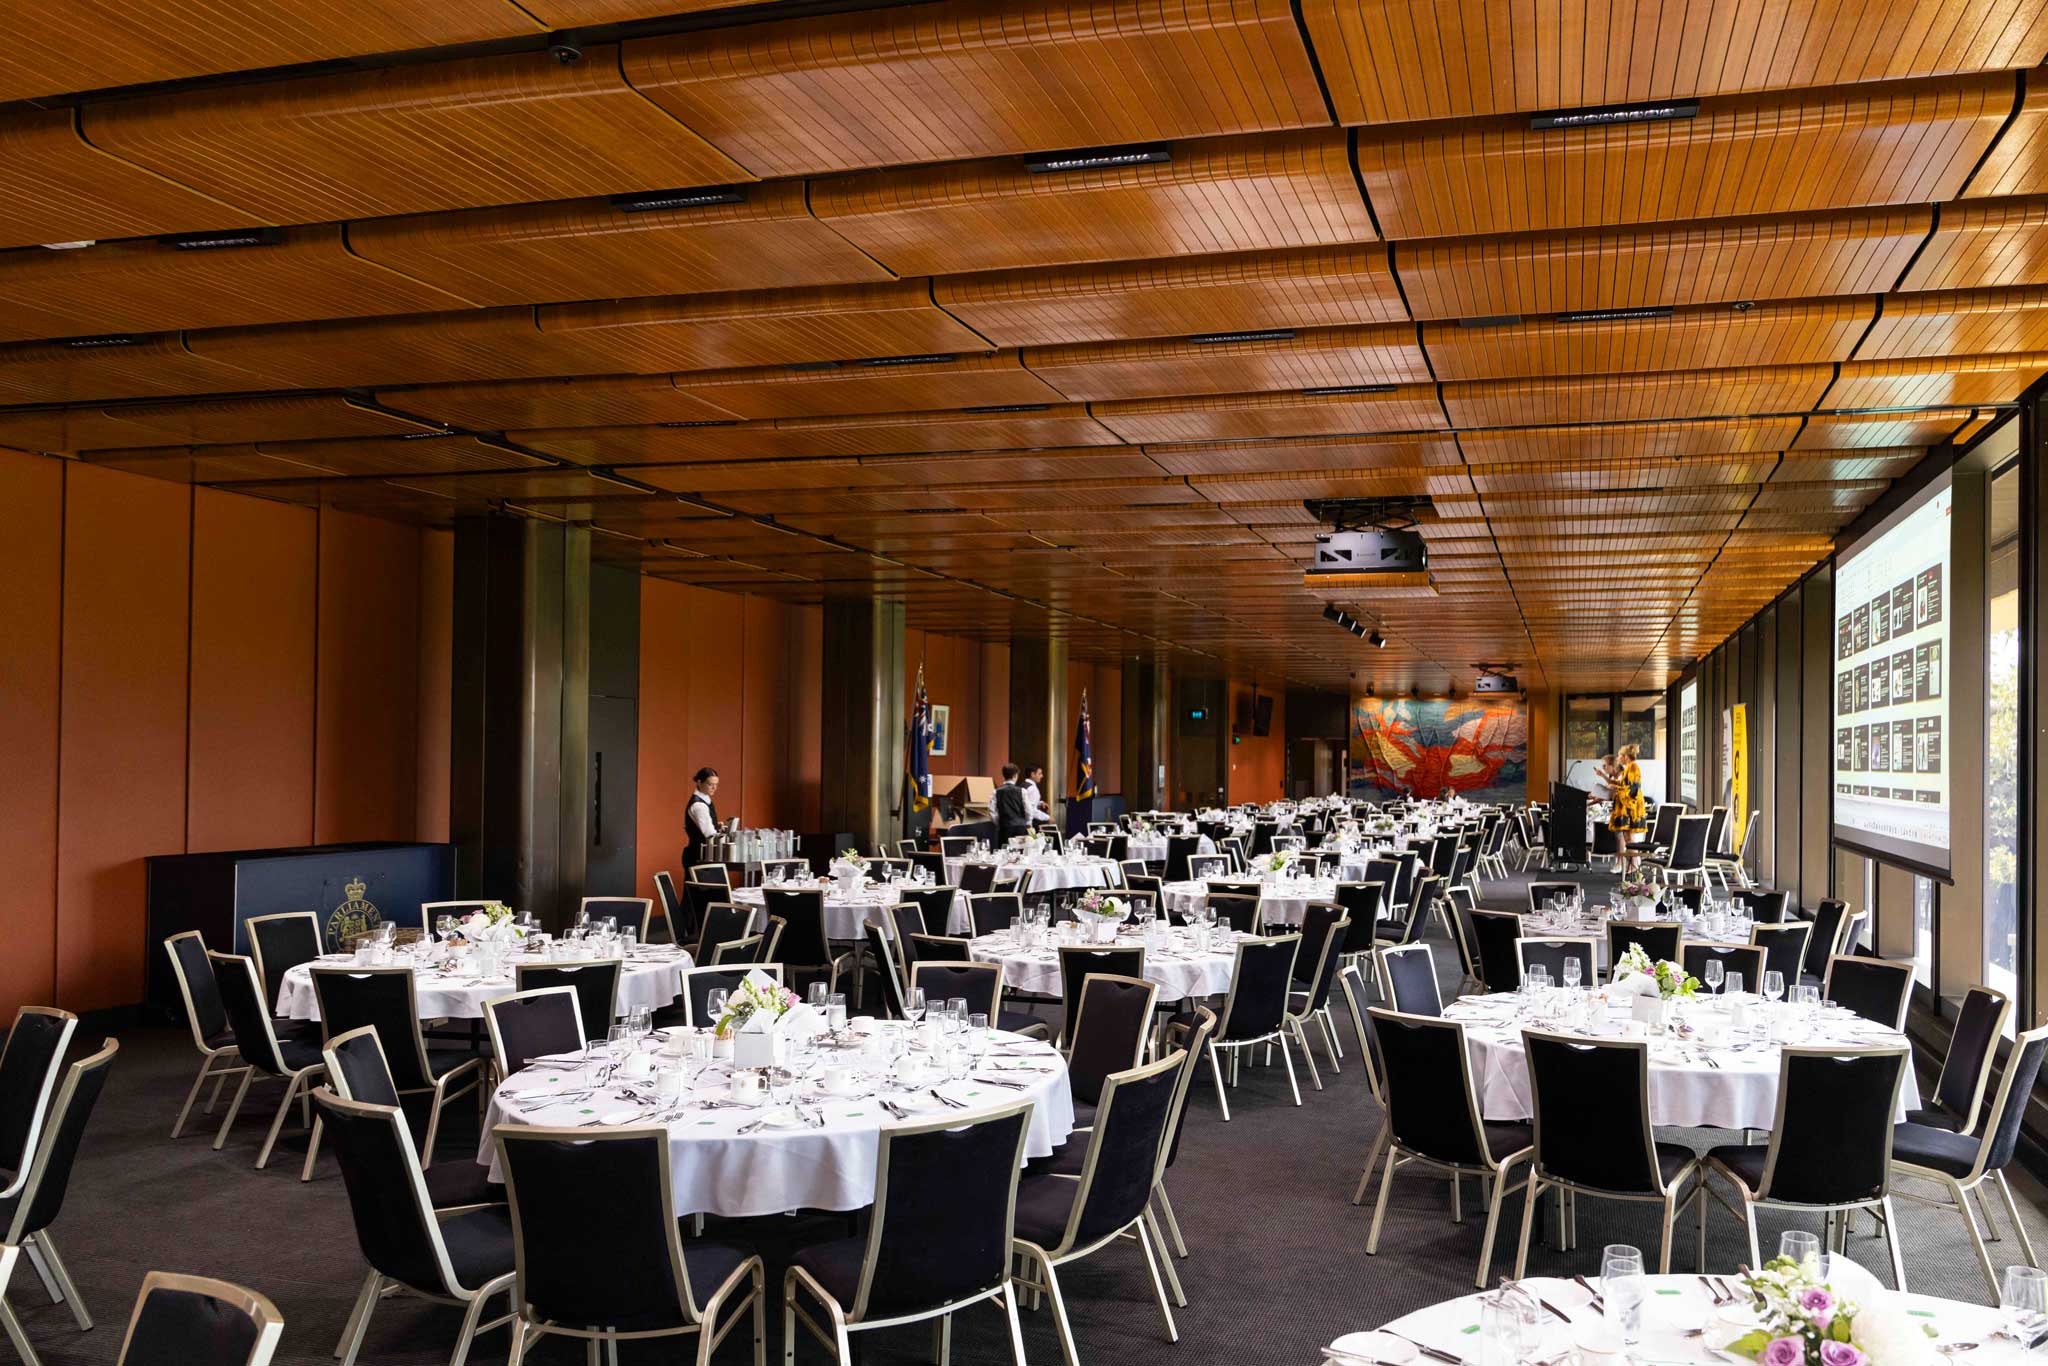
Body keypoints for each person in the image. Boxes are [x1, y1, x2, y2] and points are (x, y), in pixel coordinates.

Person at [1608, 744, 1647, 874]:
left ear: (1625, 757)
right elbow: (1623, 784)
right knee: (1627, 837)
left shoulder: (1633, 767)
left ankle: (1634, 865)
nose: (1618, 758)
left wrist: (1616, 788)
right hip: (1627, 806)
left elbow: (1632, 790)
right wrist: (1613, 784)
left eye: (1619, 755)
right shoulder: (1628, 768)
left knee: (1629, 838)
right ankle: (1633, 865)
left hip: (1631, 807)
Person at [682, 767, 722, 873]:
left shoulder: (705, 800)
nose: (714, 788)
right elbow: (710, 834)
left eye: (716, 784)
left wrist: (716, 825)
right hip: (699, 857)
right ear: (699, 783)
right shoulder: (699, 805)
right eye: (710, 784)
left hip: (701, 856)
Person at [992, 764, 1031, 845]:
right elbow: (1028, 811)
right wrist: (1027, 822)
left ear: (1004, 775)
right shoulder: (1022, 791)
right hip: (1020, 828)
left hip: (1005, 828)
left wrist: (999, 823)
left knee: (1004, 850)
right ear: (1015, 775)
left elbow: (992, 811)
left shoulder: (996, 791)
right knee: (1021, 850)